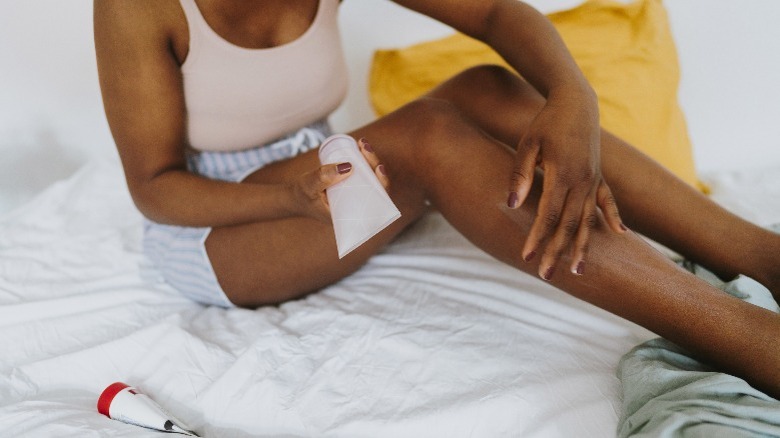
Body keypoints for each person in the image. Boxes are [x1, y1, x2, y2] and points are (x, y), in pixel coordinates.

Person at [93, 0, 780, 398]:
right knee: (427, 137)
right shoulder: (137, 8)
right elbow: (156, 189)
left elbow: (492, 11)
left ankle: (764, 256)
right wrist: (291, 200)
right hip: (213, 228)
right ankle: (747, 339)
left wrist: (574, 96)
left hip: (322, 172)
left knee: (487, 87)